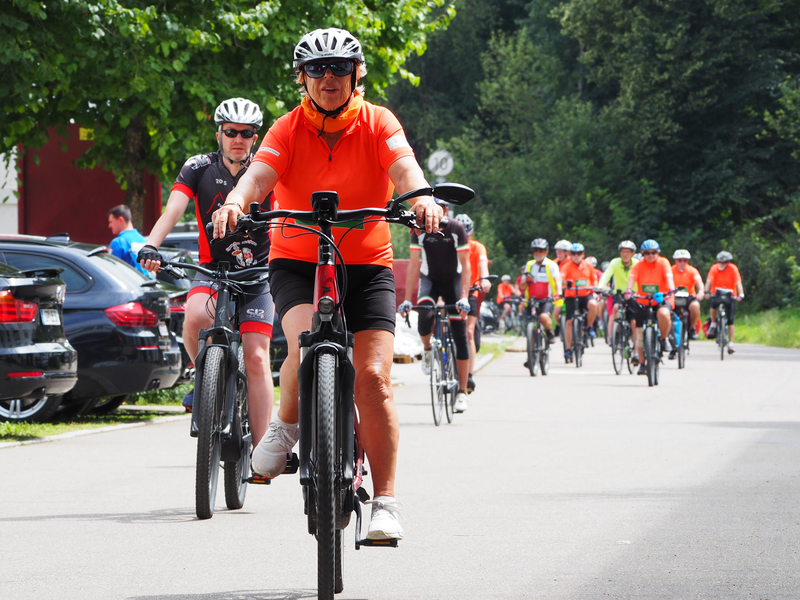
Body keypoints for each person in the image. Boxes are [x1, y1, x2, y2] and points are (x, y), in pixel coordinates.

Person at [213, 28, 442, 540]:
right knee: (302, 342)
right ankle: (286, 425)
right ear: (302, 78)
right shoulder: (287, 127)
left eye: (339, 68)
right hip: (296, 259)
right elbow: (259, 176)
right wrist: (235, 200)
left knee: (374, 379)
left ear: (356, 74)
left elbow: (403, 166)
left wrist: (422, 195)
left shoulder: (378, 120)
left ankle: (385, 501)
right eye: (316, 69)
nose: (328, 78)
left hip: (367, 266)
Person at [137, 98, 275, 447]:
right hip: (212, 270)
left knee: (257, 357)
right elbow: (172, 212)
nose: (238, 139)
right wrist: (151, 245)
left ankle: (262, 453)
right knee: (195, 317)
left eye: (246, 133)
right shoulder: (198, 167)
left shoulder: (267, 169)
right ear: (219, 134)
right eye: (231, 132)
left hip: (258, 274)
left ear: (255, 138)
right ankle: (202, 375)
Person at [400, 200, 471, 411]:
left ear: (446, 211)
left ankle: (462, 392)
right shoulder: (418, 230)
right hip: (430, 280)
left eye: (441, 207)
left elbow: (466, 265)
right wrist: (406, 299)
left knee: (460, 333)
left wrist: (465, 297)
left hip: (453, 282)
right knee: (424, 318)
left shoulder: (456, 228)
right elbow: (413, 265)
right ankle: (428, 350)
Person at [624, 239, 675, 374]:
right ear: (643, 254)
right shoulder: (639, 266)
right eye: (647, 253)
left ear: (657, 253)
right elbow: (632, 278)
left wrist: (671, 289)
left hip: (662, 297)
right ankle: (642, 364)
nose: (651, 255)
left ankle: (664, 339)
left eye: (653, 253)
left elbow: (669, 277)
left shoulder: (663, 263)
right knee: (640, 332)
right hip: (643, 300)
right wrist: (628, 290)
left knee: (664, 313)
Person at [454, 213, 491, 393]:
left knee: (469, 332)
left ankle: (468, 375)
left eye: (467, 235)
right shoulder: (450, 245)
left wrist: (484, 279)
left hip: (471, 290)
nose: (464, 239)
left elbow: (483, 265)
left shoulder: (477, 247)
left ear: (471, 234)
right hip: (451, 288)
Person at [520, 238, 562, 367]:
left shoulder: (551, 265)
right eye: (535, 250)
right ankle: (531, 356)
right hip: (531, 300)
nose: (538, 253)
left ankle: (549, 332)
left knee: (544, 317)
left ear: (546, 252)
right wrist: (527, 280)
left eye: (541, 250)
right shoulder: (529, 265)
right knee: (530, 327)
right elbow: (522, 287)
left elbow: (557, 279)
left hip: (546, 299)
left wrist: (558, 293)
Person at [599, 240, 639, 362]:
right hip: (619, 293)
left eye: (627, 252)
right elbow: (606, 275)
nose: (625, 254)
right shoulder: (615, 263)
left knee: (634, 322)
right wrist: (600, 287)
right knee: (615, 308)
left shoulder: (637, 263)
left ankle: (637, 351)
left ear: (632, 253)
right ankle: (611, 337)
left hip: (634, 294)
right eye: (623, 252)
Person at [560, 242, 598, 361]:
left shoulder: (588, 265)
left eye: (579, 253)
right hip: (571, 295)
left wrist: (595, 290)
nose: (576, 255)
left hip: (585, 294)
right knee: (569, 322)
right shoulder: (566, 266)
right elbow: (561, 278)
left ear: (583, 254)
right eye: (573, 253)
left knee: (593, 304)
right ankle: (568, 349)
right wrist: (562, 286)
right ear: (570, 254)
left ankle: (589, 326)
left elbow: (594, 280)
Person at [704, 251, 744, 354]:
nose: (722, 264)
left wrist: (741, 294)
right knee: (713, 305)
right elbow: (709, 280)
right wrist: (706, 291)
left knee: (730, 320)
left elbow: (738, 282)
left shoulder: (733, 268)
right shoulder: (714, 268)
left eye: (724, 262)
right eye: (720, 262)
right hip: (716, 293)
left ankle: (731, 342)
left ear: (728, 262)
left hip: (729, 294)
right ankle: (713, 323)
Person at [670, 249, 704, 354]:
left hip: (688, 297)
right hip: (674, 296)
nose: (682, 263)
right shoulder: (670, 270)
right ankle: (670, 340)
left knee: (695, 306)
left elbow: (699, 283)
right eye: (680, 260)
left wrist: (701, 292)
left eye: (685, 260)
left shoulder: (692, 270)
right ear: (675, 261)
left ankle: (692, 329)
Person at [107, 205, 150, 276]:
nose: (109, 226)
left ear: (120, 220)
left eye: (111, 222)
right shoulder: (143, 240)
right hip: (149, 283)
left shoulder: (118, 243)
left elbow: (112, 272)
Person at [552, 239, 572, 334]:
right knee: (556, 311)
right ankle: (559, 324)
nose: (558, 254)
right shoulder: (554, 263)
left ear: (567, 252)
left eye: (560, 252)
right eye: (557, 252)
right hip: (559, 291)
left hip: (571, 290)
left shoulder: (572, 262)